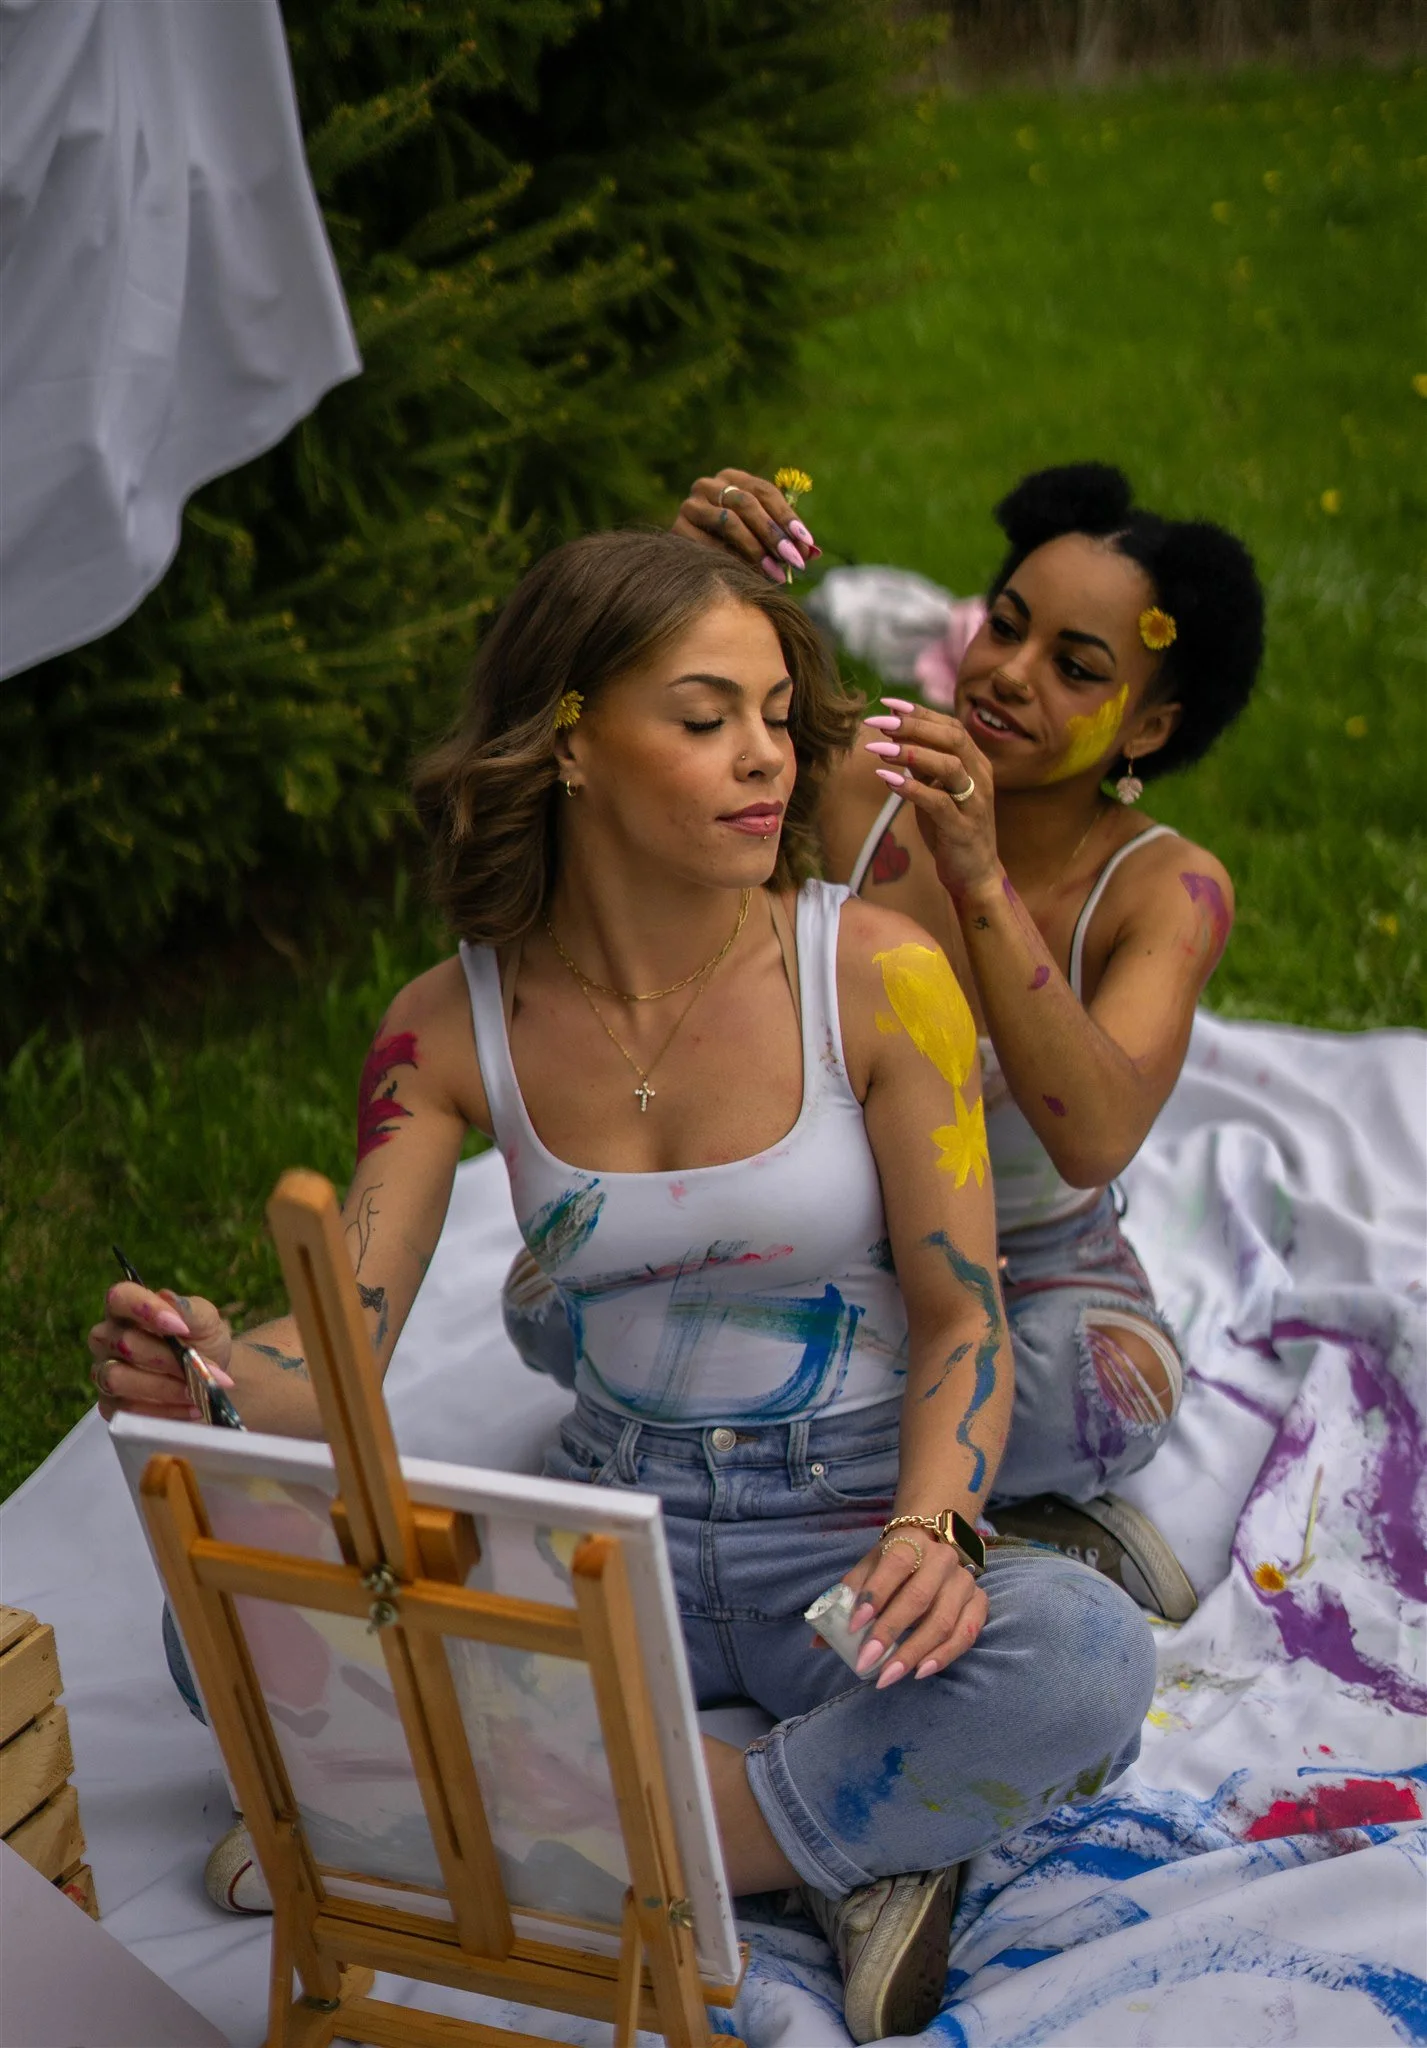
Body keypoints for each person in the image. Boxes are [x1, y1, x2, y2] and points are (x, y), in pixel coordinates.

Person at [89, 529, 1154, 2043]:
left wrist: (933, 1522)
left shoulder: (878, 969)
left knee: (1086, 1657)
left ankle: (489, 1836)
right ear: (571, 741)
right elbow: (339, 1352)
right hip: (606, 1533)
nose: (764, 761)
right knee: (218, 1625)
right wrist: (200, 1372)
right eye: (705, 718)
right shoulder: (443, 1025)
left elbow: (962, 1316)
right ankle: (828, 1844)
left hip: (839, 1535)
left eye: (780, 718)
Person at [669, 462, 1266, 1622]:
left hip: (1031, 1270)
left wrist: (979, 875)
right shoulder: (854, 785)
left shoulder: (1166, 890)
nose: (1006, 672)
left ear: (1147, 724)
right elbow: (645, 795)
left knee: (1111, 1391)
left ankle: (792, 1471)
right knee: (550, 1294)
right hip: (820, 1229)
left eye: (1074, 667)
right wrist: (699, 586)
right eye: (1003, 626)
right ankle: (946, 1507)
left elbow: (1091, 1134)